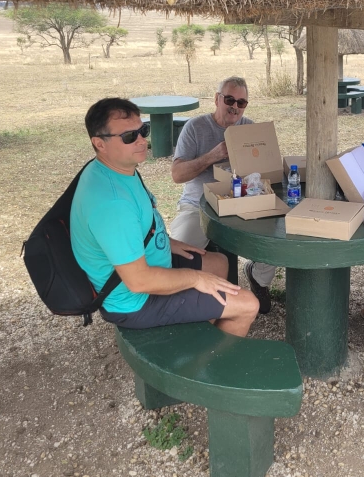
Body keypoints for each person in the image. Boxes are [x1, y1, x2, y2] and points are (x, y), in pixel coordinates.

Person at [71, 98, 258, 335]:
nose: (141, 141)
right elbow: (139, 282)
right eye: (129, 136)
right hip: (135, 300)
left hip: (149, 262)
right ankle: (212, 367)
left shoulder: (116, 170)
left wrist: (167, 243)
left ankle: (199, 338)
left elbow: (134, 229)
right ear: (100, 143)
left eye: (143, 130)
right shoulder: (112, 204)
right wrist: (195, 279)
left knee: (218, 263)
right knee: (248, 304)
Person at [170, 76, 278, 314]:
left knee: (276, 235)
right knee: (183, 247)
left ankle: (258, 278)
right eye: (230, 99)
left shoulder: (249, 128)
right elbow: (177, 175)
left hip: (241, 201)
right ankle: (181, 300)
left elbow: (265, 169)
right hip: (199, 203)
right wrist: (212, 156)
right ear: (217, 99)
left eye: (242, 103)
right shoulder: (195, 127)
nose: (235, 107)